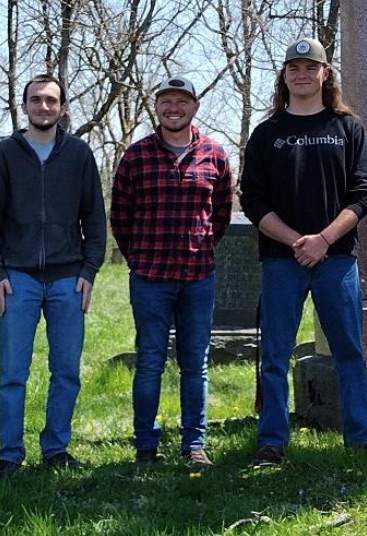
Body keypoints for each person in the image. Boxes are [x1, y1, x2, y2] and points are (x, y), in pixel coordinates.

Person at [239, 37, 367, 466]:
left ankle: (360, 439)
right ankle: (272, 442)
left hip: (336, 260)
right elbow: (253, 200)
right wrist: (295, 241)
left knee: (349, 352)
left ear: (325, 74)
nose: (301, 74)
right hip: (281, 261)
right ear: (284, 76)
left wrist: (323, 239)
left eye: (310, 67)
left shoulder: (348, 128)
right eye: (293, 68)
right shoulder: (268, 133)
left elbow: (363, 193)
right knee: (275, 354)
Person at [0, 73, 107, 476]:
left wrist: (89, 269)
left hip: (69, 278)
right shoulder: (5, 154)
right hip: (18, 279)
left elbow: (96, 219)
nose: (44, 107)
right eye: (36, 100)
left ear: (63, 107)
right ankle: (8, 455)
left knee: (66, 370)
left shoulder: (80, 155)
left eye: (52, 100)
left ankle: (56, 449)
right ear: (26, 106)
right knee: (13, 373)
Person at [110, 76, 233, 470]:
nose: (173, 108)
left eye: (182, 101)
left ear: (194, 107)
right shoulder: (136, 156)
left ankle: (194, 445)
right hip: (149, 276)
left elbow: (222, 215)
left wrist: (198, 248)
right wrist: (140, 257)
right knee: (150, 361)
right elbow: (121, 218)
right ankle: (145, 445)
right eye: (166, 101)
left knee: (195, 363)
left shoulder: (215, 155)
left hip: (198, 276)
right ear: (156, 107)